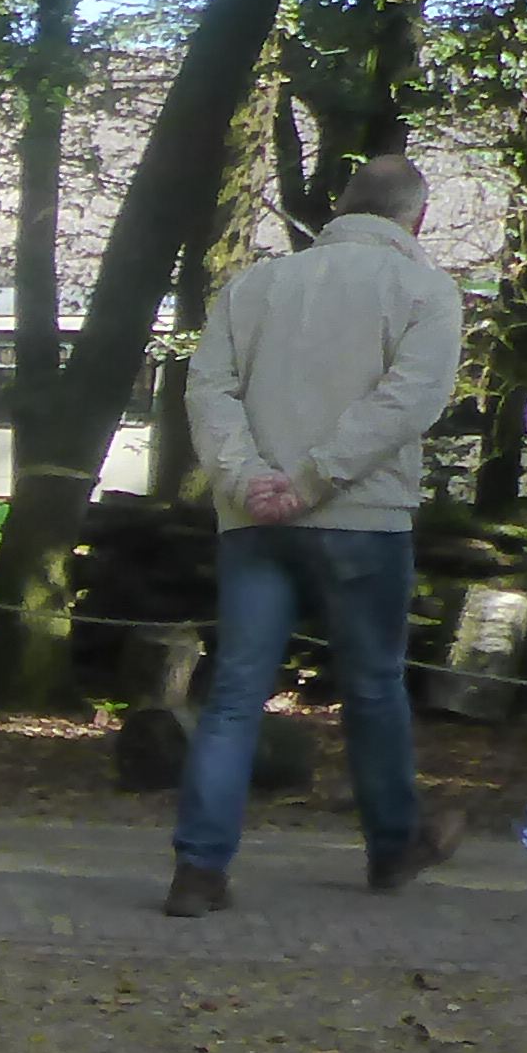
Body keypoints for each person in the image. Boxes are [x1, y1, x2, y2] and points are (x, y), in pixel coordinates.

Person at [169, 152, 466, 914]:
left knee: (235, 693)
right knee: (373, 687)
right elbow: (408, 401)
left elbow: (209, 390)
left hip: (254, 519)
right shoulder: (426, 290)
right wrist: (316, 479)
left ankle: (199, 869)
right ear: (417, 217)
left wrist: (249, 477)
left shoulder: (255, 284)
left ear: (340, 206)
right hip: (363, 519)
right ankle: (392, 848)